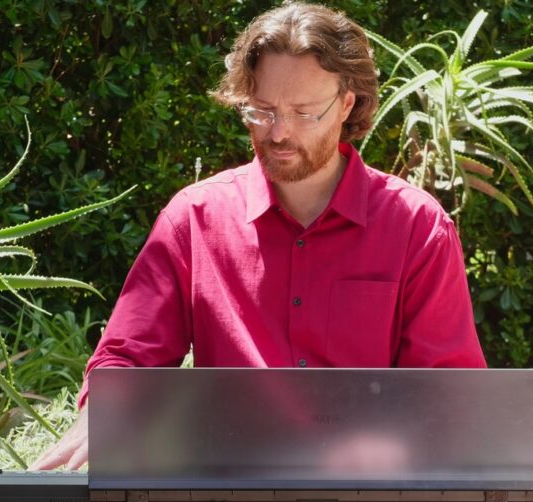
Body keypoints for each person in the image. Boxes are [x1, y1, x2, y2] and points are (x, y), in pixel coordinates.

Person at [31, 2, 485, 471]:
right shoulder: (194, 218)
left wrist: (390, 450)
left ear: (346, 104)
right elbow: (130, 355)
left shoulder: (417, 227)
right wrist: (105, 413)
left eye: (304, 112)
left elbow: (448, 392)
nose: (279, 133)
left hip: (371, 501)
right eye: (262, 110)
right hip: (227, 497)